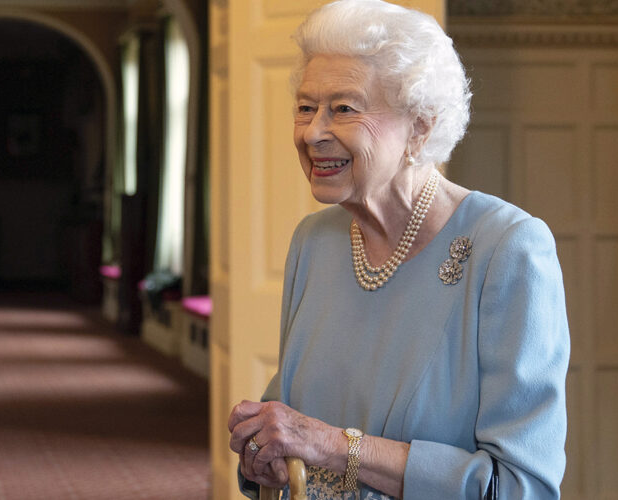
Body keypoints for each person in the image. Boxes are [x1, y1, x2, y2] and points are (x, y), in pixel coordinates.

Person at [228, 1, 570, 498]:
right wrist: (264, 451)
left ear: (421, 126)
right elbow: (291, 424)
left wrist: (333, 446)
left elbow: (521, 487)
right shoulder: (313, 242)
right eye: (305, 107)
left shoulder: (507, 248)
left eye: (344, 108)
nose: (312, 133)